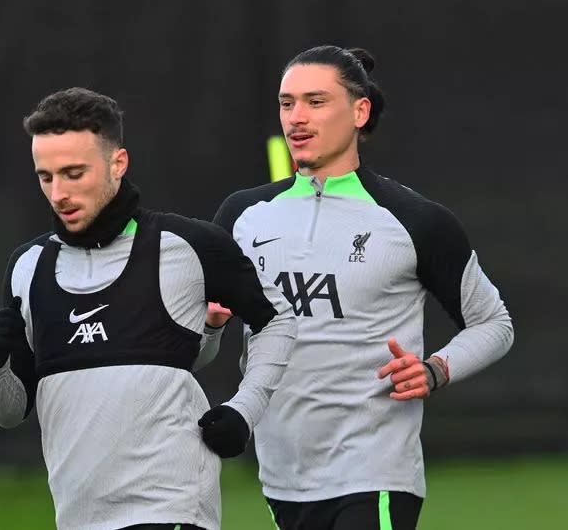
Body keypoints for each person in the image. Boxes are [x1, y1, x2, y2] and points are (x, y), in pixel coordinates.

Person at [204, 45, 514, 529]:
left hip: (376, 471)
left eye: (316, 101)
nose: (297, 118)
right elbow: (201, 346)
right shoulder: (241, 216)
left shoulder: (415, 220)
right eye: (287, 103)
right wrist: (209, 329)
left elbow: (494, 323)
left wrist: (434, 370)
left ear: (359, 111)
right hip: (283, 475)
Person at [0, 87, 296, 530]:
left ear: (117, 163)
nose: (59, 192)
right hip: (77, 517)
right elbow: (9, 412)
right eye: (45, 177)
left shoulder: (188, 246)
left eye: (73, 173)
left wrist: (245, 409)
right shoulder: (27, 267)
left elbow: (277, 320)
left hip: (171, 509)